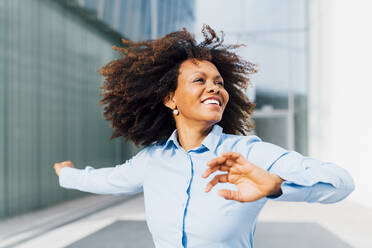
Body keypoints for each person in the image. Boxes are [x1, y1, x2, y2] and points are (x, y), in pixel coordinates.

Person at [53, 24, 355, 248]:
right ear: (170, 99)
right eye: (200, 80)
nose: (215, 88)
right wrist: (67, 175)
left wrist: (276, 186)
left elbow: (340, 183)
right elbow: (107, 180)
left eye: (219, 83)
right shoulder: (153, 159)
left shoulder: (247, 154)